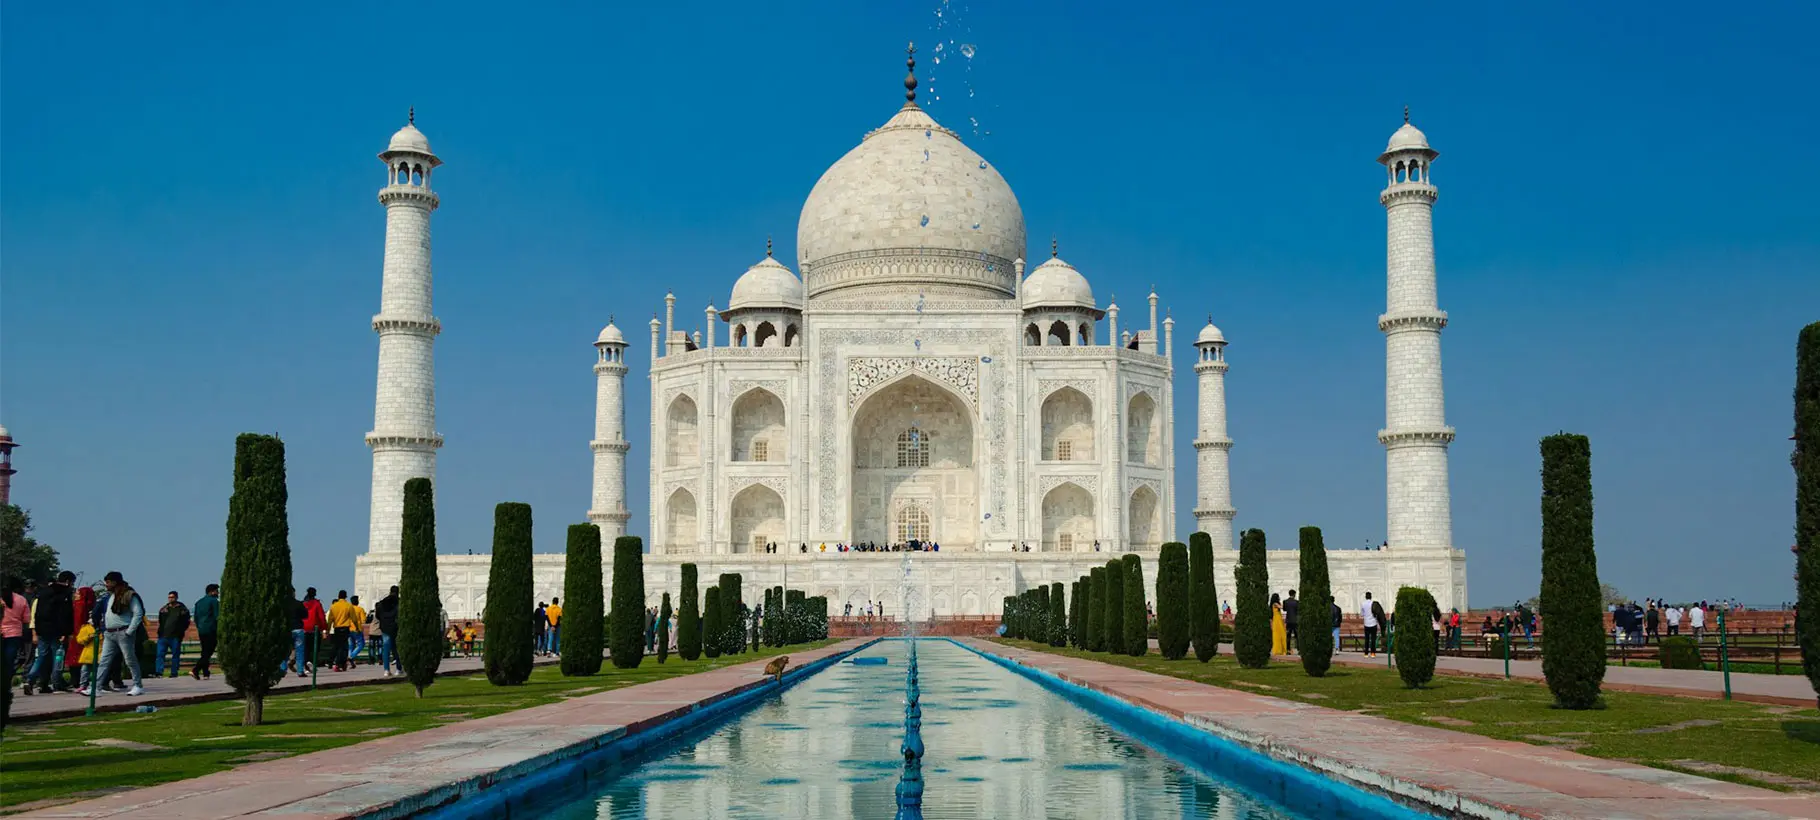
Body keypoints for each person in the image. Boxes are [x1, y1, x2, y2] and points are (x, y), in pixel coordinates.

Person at [93, 572, 146, 696]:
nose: (106, 585)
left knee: (130, 660)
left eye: (108, 582)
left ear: (115, 582)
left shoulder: (129, 595)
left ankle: (138, 685)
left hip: (123, 632)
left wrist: (130, 631)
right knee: (104, 661)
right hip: (110, 633)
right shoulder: (111, 596)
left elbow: (138, 613)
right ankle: (96, 687)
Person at [25, 571, 75, 695]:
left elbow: (37, 613)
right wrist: (66, 632)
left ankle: (30, 679)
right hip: (57, 631)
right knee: (58, 657)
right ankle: (57, 683)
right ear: (68, 581)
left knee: (41, 657)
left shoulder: (43, 592)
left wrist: (36, 631)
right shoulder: (65, 593)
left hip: (42, 630)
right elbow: (65, 614)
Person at [1, 580, 29, 706]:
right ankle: (6, 686)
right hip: (14, 633)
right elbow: (26, 618)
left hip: (1, 633)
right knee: (9, 662)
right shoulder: (21, 599)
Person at [155, 591, 190, 678]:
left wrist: (180, 631)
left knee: (175, 655)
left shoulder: (183, 610)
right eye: (169, 597)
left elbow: (186, 622)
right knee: (160, 654)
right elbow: (160, 621)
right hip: (163, 636)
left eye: (172, 597)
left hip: (175, 637)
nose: (170, 599)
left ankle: (174, 672)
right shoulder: (164, 609)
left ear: (176, 598)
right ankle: (159, 672)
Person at [190, 583, 220, 679]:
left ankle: (206, 672)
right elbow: (217, 616)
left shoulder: (198, 602)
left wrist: (200, 627)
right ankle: (195, 670)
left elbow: (196, 618)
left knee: (204, 651)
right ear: (212, 592)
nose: (218, 593)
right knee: (208, 652)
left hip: (202, 629)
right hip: (211, 629)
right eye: (217, 591)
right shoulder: (214, 601)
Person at [327, 590, 357, 671]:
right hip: (345, 628)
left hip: (337, 628)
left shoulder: (333, 606)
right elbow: (354, 619)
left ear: (338, 596)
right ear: (345, 596)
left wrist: (328, 630)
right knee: (344, 647)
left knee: (337, 646)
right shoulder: (348, 606)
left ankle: (332, 662)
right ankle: (340, 664)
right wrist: (357, 627)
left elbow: (330, 620)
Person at [375, 586, 400, 676]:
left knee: (386, 648)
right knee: (396, 648)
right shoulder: (399, 602)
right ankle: (398, 669)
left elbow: (377, 615)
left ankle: (386, 670)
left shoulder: (382, 603)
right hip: (395, 627)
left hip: (385, 627)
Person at [1360, 592, 1380, 658]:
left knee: (1367, 639)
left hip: (1366, 624)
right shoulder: (1373, 603)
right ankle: (1373, 653)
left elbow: (1362, 614)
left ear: (1365, 597)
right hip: (1373, 623)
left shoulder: (1363, 604)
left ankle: (1366, 654)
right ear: (1371, 596)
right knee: (1373, 639)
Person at [348, 596, 367, 665]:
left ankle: (351, 660)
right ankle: (351, 656)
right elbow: (363, 620)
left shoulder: (349, 609)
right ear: (357, 602)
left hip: (349, 629)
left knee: (351, 645)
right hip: (357, 629)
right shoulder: (360, 609)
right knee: (361, 644)